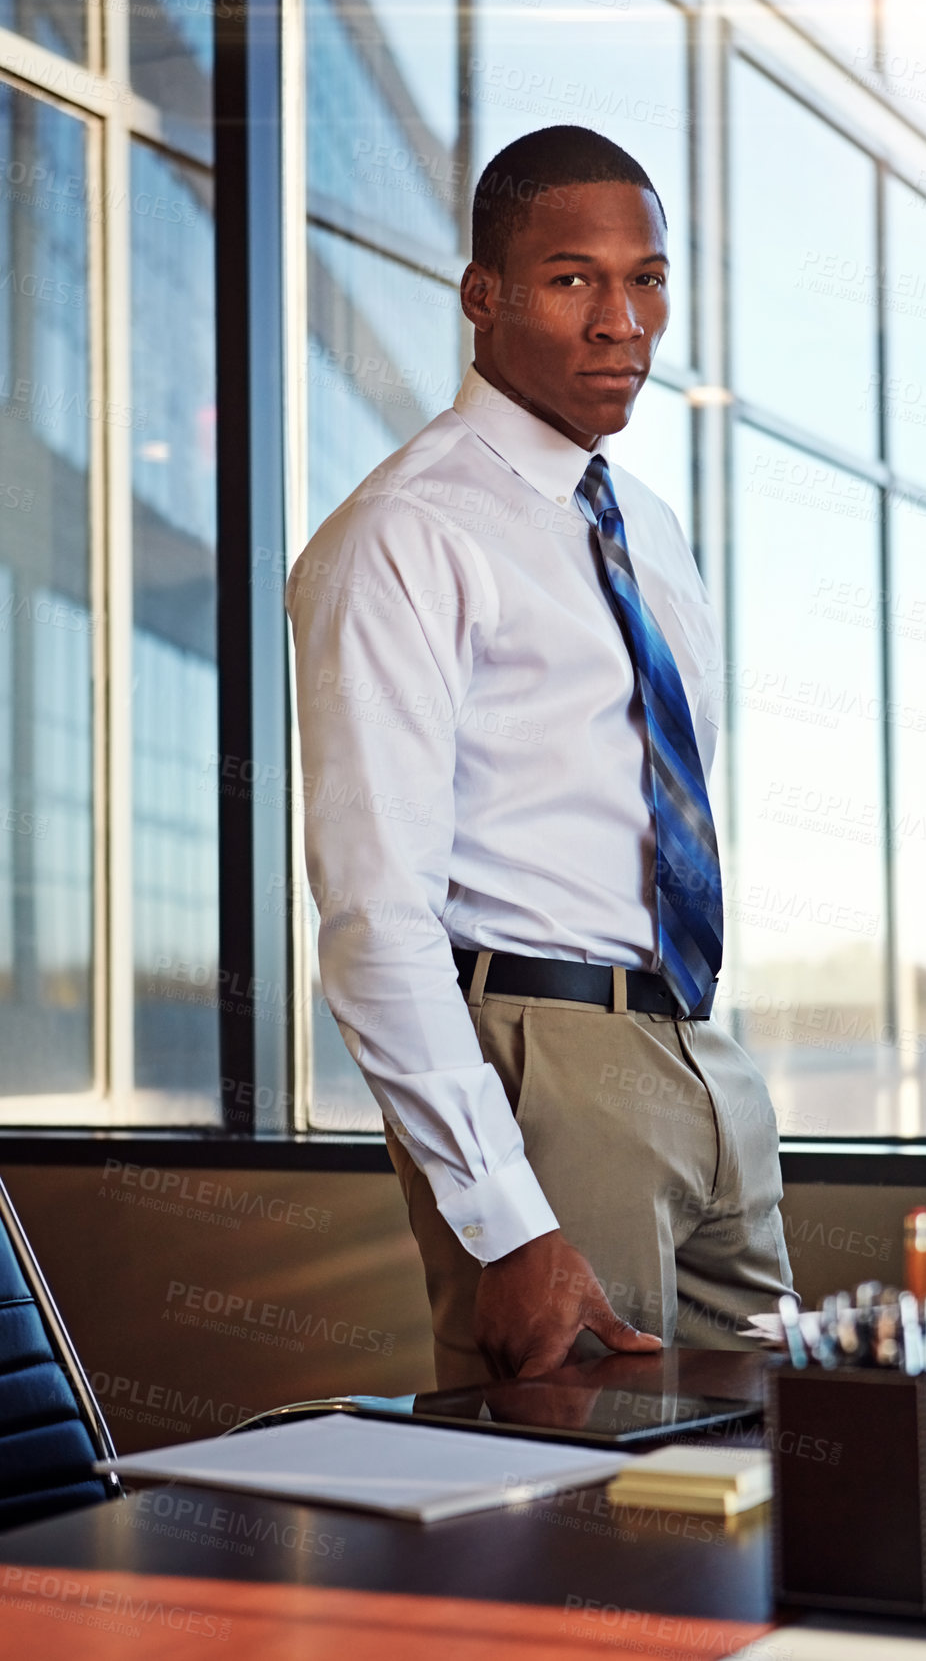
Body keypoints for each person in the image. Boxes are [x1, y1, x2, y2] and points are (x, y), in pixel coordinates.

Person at [286, 125, 795, 1389]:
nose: (622, 319)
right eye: (574, 279)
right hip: (542, 1066)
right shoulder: (405, 534)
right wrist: (503, 1215)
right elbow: (371, 916)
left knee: (788, 1465)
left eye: (648, 278)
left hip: (695, 1053)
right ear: (484, 295)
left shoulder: (646, 528)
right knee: (582, 1524)